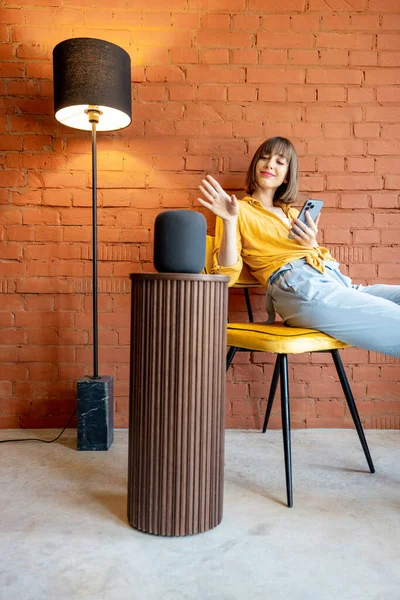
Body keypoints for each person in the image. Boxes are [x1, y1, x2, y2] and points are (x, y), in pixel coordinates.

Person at [198, 136, 400, 358]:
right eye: (264, 158)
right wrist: (228, 220)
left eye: (279, 161)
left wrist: (312, 244)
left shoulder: (293, 214)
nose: (269, 164)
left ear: (287, 176)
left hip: (337, 283)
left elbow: (320, 261)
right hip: (300, 289)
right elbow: (228, 274)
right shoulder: (238, 210)